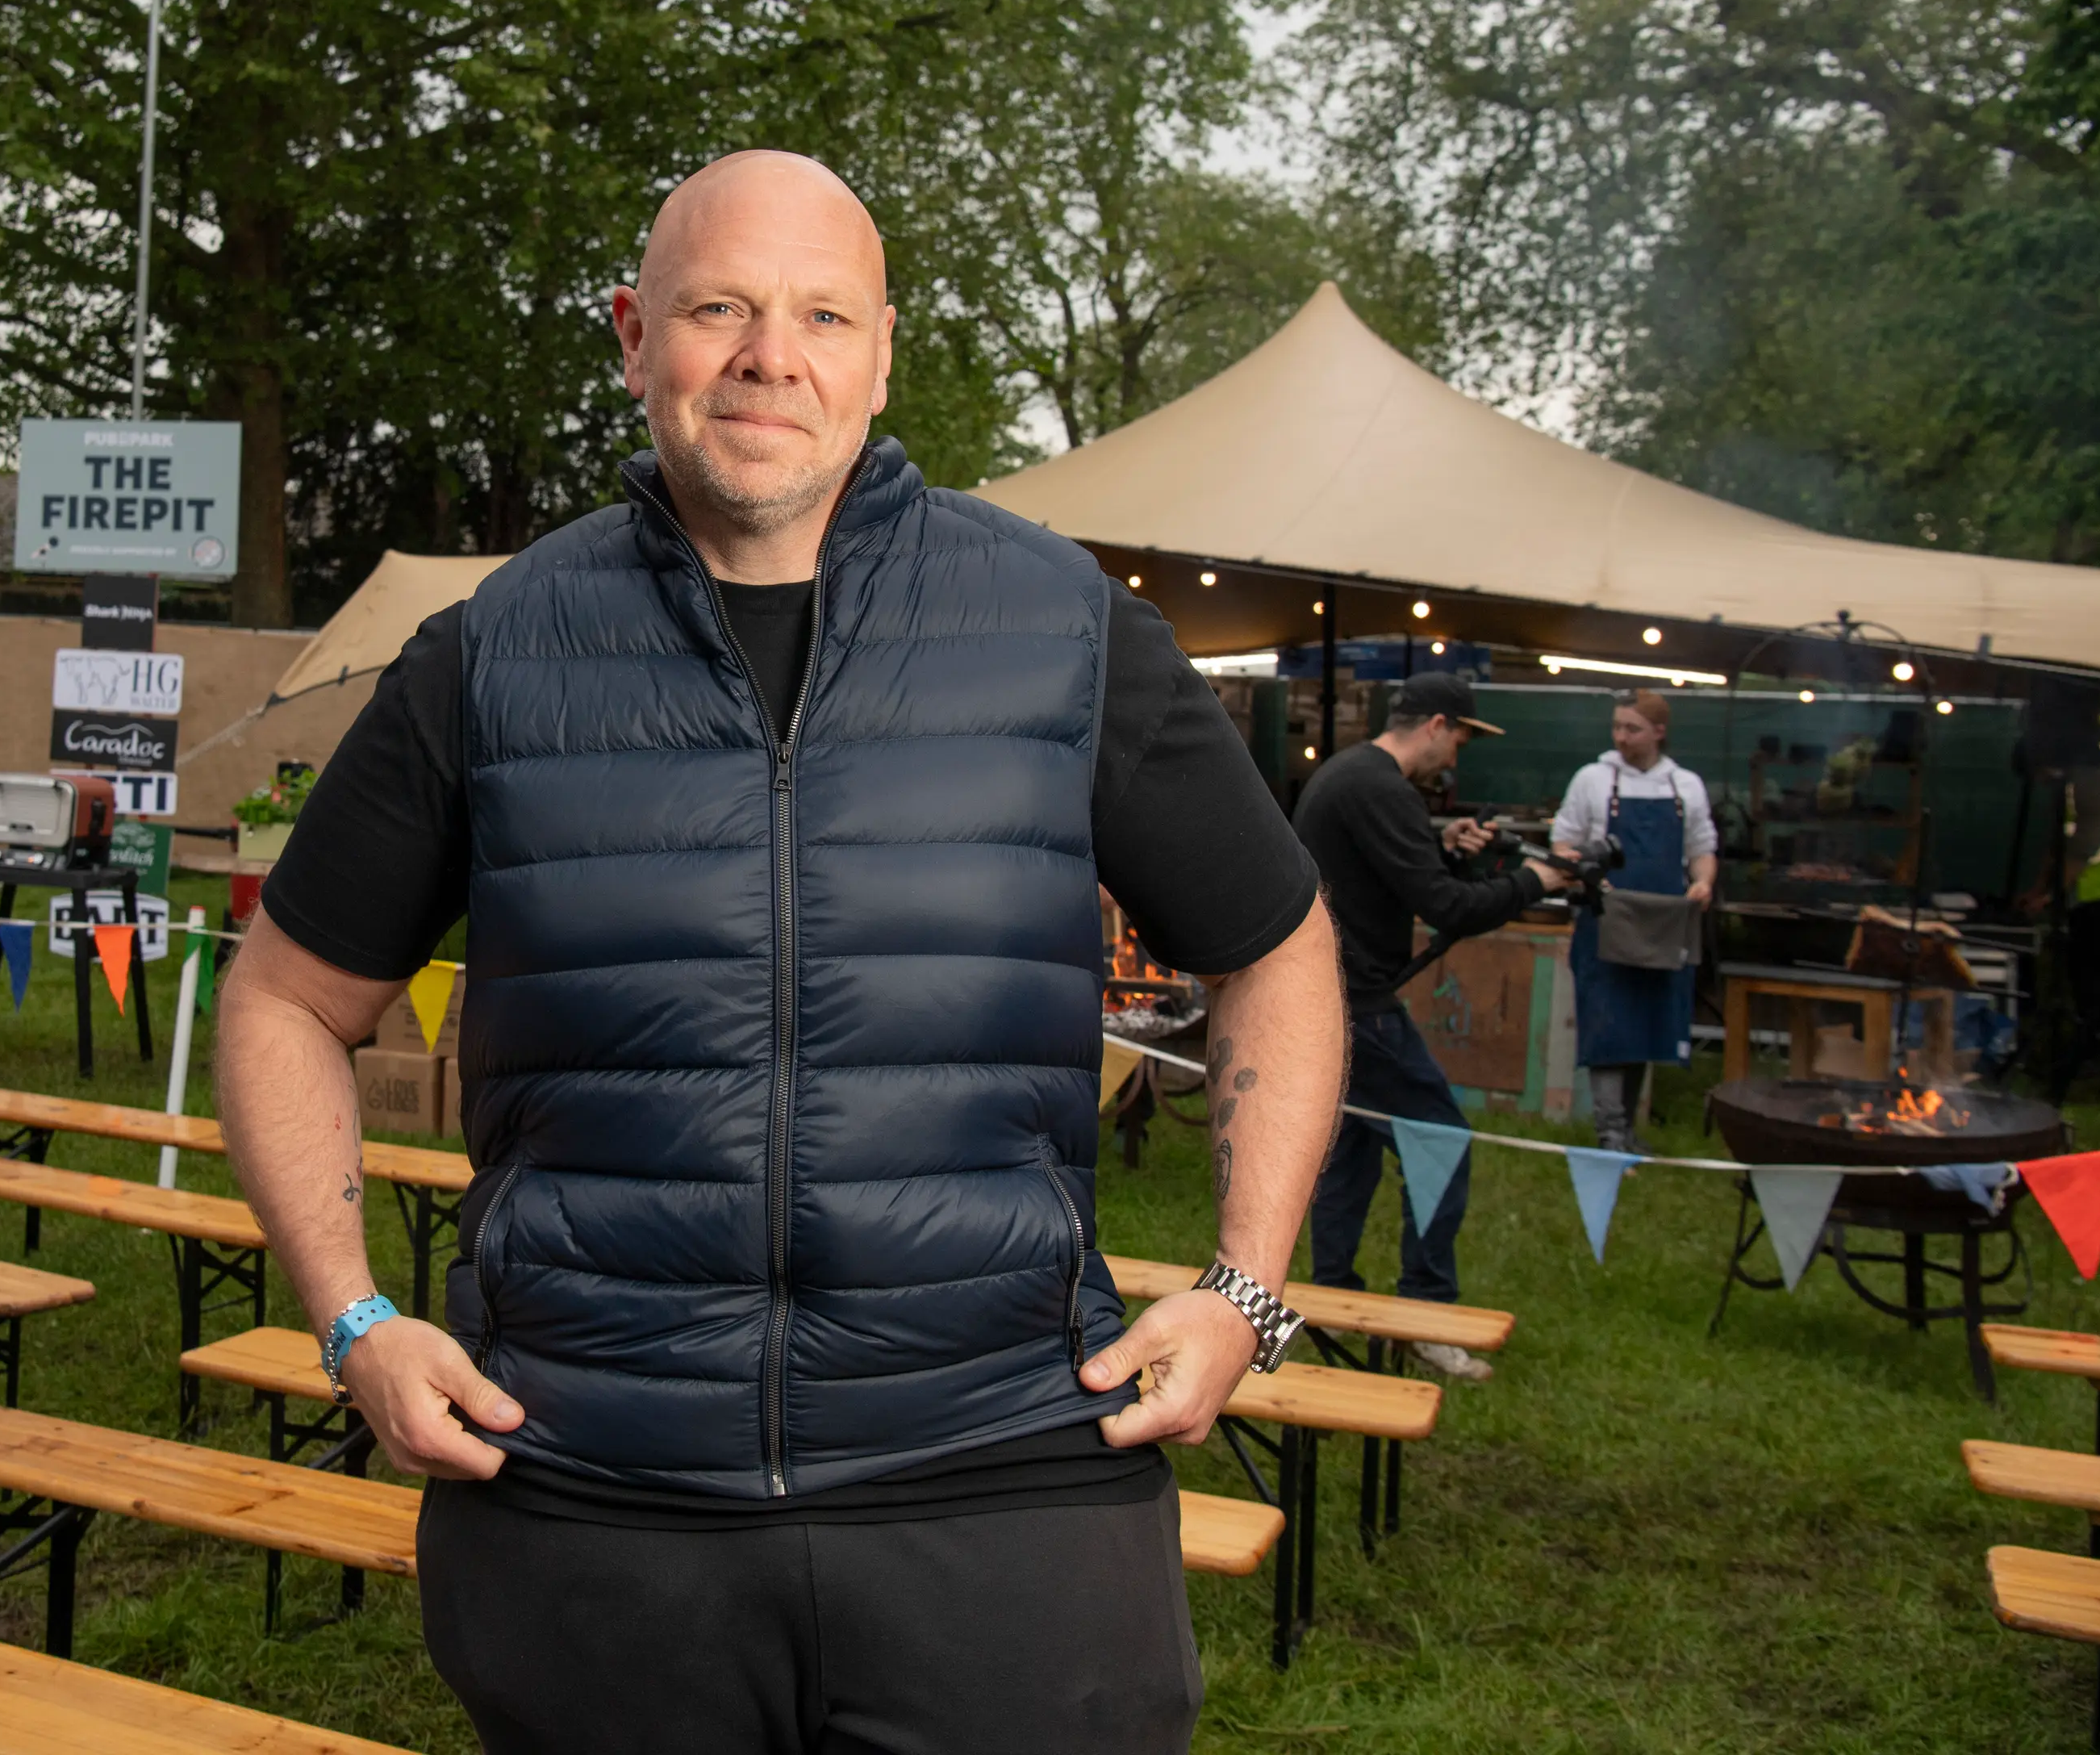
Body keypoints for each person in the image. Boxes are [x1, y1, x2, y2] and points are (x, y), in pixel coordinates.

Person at [218, 149, 1347, 1754]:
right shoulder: (493, 651)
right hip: (596, 1496)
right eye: (718, 307)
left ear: (883, 352)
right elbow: (283, 996)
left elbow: (1276, 944)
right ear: (632, 333)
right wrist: (350, 1321)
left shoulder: (1062, 627)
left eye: (823, 313)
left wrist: (1244, 1288)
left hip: (1005, 1485)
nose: (771, 355)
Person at [1292, 673, 1568, 1381]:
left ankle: (1331, 1300)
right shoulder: (1380, 787)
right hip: (1355, 1005)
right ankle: (1428, 1314)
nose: (1458, 760)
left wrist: (1450, 852)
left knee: (1348, 1151)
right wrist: (1537, 881)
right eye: (1462, 741)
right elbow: (1449, 909)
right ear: (1439, 724)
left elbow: (1396, 880)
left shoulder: (1353, 776)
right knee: (1441, 1141)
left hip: (1332, 997)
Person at [1551, 691, 1716, 1153]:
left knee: (1645, 1022)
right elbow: (1563, 843)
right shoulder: (1593, 780)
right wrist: (1582, 870)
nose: (1621, 737)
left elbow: (1703, 848)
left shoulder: (1685, 786)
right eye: (1617, 727)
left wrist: (1702, 883)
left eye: (1632, 728)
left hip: (1663, 925)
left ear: (1659, 732)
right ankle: (1609, 1134)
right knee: (1609, 1023)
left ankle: (1626, 1133)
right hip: (1606, 919)